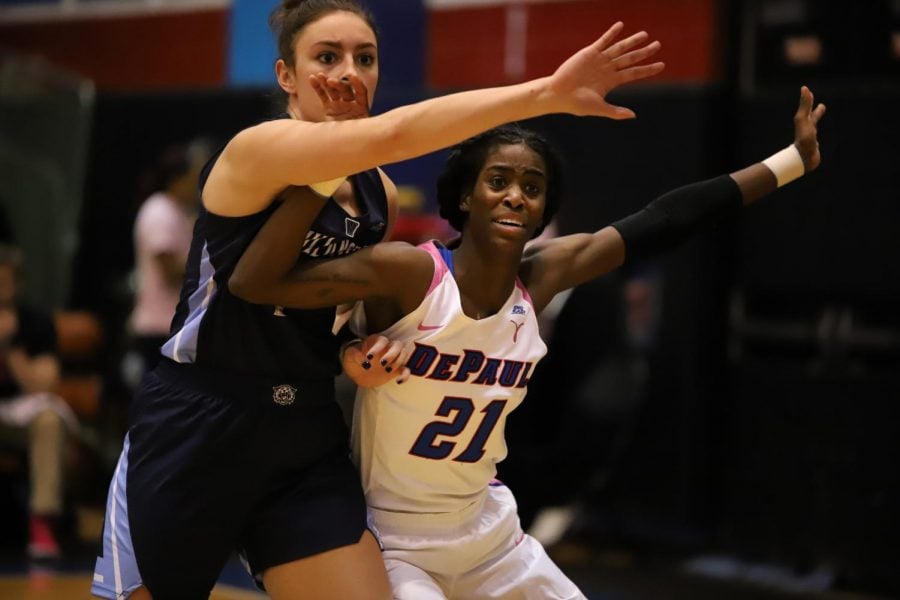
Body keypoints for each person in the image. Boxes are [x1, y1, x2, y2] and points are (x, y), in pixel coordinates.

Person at [90, 0, 665, 597]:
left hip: (301, 429)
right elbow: (393, 133)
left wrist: (357, 353)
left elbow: (336, 313)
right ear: (286, 76)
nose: (348, 73)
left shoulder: (378, 194)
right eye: (326, 57)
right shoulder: (257, 150)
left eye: (364, 58)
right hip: (200, 420)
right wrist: (546, 92)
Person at [229, 86, 826, 598]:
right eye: (498, 181)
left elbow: (665, 219)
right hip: (393, 540)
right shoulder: (409, 275)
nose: (516, 194)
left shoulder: (541, 279)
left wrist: (791, 162)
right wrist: (324, 168)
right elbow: (255, 282)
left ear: (543, 210)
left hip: (490, 533)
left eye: (532, 187)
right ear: (466, 196)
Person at [0, 244, 79, 560]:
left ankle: (42, 523)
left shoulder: (35, 322)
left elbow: (43, 384)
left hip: (20, 414)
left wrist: (7, 346)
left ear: (18, 284)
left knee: (48, 419)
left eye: (5, 282)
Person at [125, 140, 209, 384]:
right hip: (159, 326)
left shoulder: (181, 212)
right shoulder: (159, 211)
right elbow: (169, 269)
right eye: (194, 176)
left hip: (177, 324)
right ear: (177, 177)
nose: (198, 185)